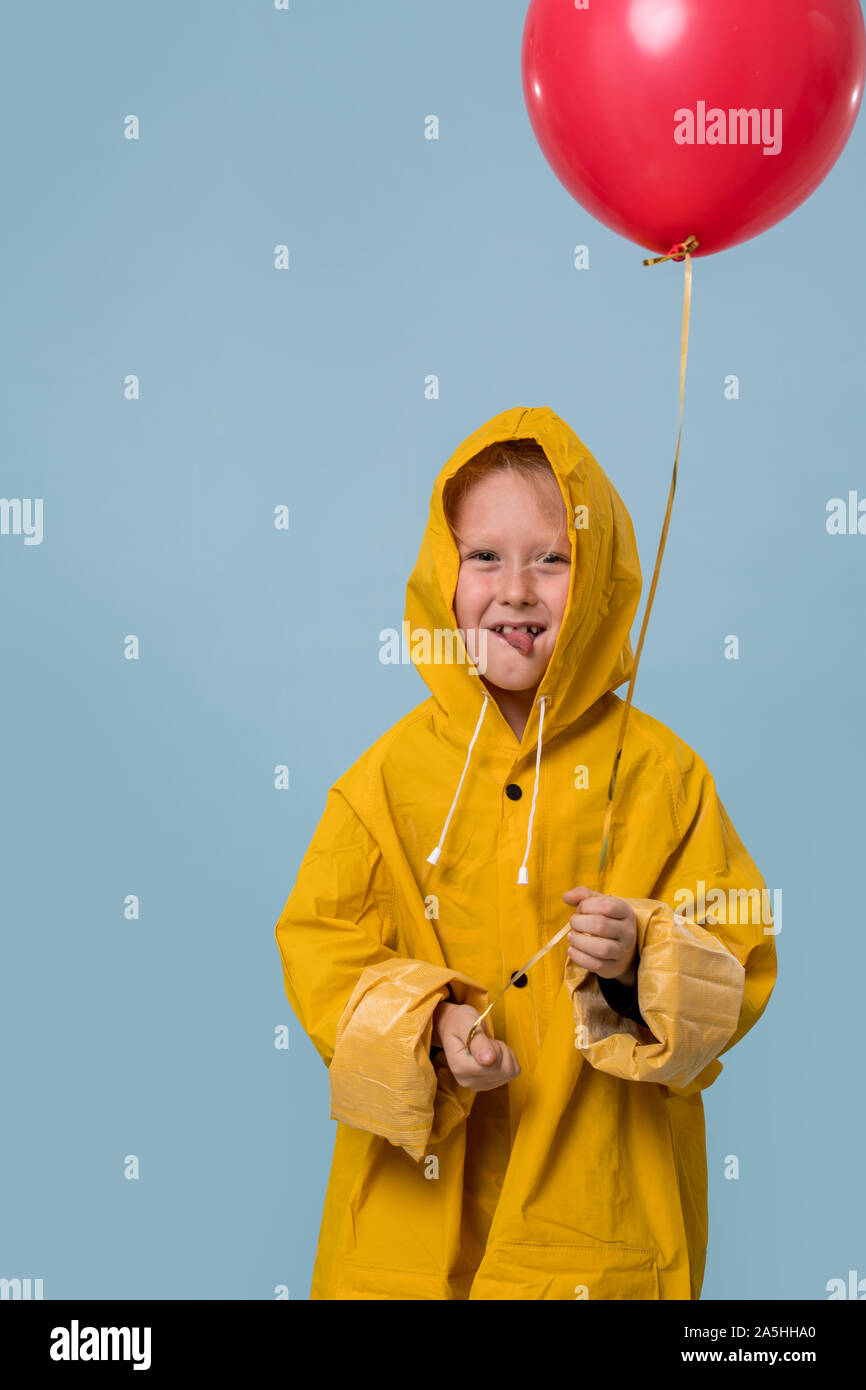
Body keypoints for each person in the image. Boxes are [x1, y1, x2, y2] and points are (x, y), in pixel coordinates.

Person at [274, 404, 777, 1301]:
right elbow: (322, 954)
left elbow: (736, 963)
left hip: (598, 1229)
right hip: (411, 1236)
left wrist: (640, 957)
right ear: (444, 575)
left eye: (553, 557)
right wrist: (424, 1027)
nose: (517, 588)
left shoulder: (662, 775)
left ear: (599, 583)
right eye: (484, 557)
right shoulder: (383, 783)